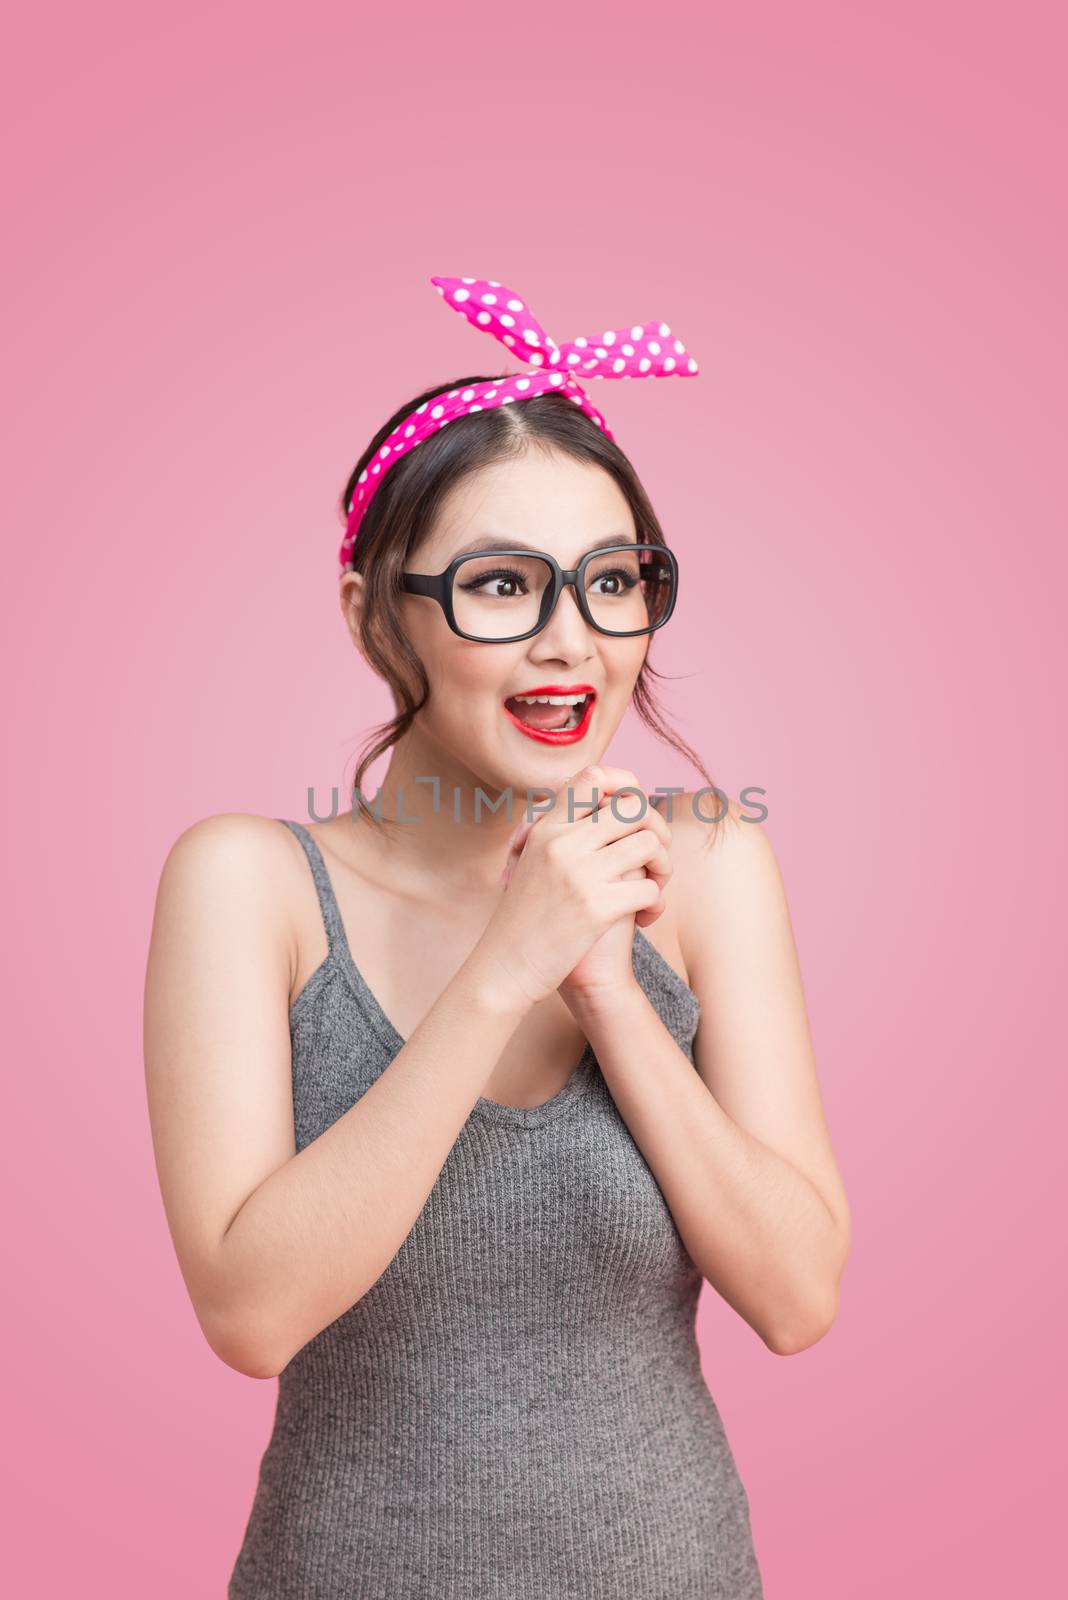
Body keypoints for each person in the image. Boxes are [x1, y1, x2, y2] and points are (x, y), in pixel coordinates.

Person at [143, 276, 851, 1598]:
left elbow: (796, 1295)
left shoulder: (707, 866)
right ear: (371, 614)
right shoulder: (253, 886)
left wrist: (608, 988)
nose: (572, 643)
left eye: (613, 583)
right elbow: (250, 1313)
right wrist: (502, 969)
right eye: (501, 586)